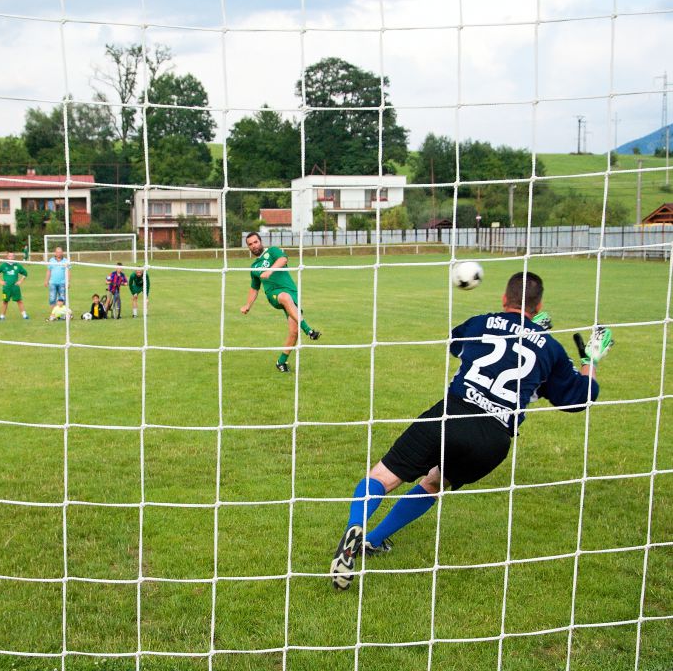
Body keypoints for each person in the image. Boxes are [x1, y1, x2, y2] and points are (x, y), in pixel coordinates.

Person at [329, 272, 614, 592]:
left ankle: (355, 528)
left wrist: (517, 331)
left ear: (504, 299)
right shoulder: (551, 349)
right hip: (493, 439)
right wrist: (589, 359)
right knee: (434, 483)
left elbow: (456, 343)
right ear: (539, 305)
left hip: (452, 413)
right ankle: (372, 541)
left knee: (382, 477)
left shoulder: (481, 322)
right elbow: (579, 399)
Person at [239, 232, 321, 372]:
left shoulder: (272, 251)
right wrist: (248, 305)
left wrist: (269, 271)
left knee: (294, 331)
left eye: (255, 242)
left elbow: (283, 259)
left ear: (260, 241)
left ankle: (281, 362)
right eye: (250, 244)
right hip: (274, 294)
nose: (253, 246)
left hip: (292, 293)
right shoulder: (254, 266)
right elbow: (254, 288)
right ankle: (309, 330)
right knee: (284, 297)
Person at [0, 250, 29, 320]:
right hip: (6, 288)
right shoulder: (3, 265)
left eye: (12, 256)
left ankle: (24, 315)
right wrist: (0, 281)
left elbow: (25, 273)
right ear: (7, 257)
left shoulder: (17, 265)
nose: (11, 257)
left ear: (14, 257)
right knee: (5, 301)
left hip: (15, 287)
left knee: (19, 301)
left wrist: (20, 281)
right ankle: (2, 316)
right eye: (9, 256)